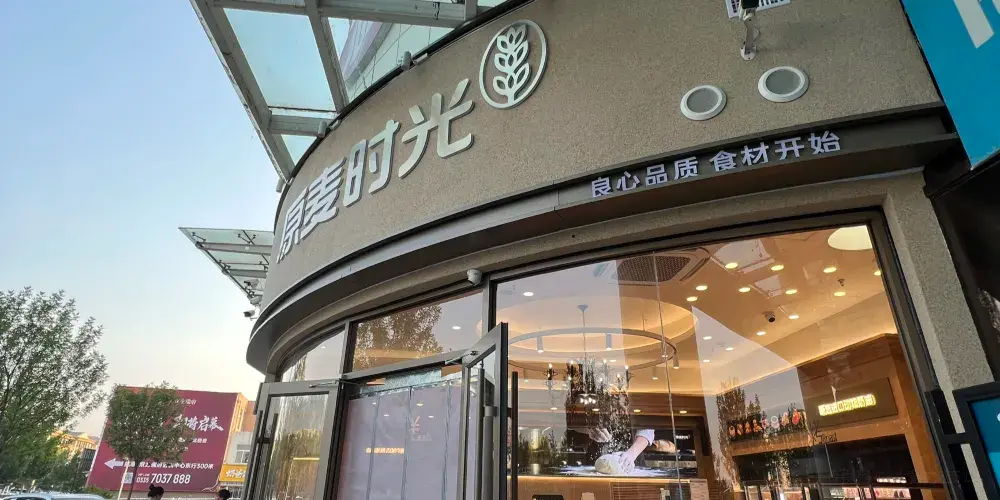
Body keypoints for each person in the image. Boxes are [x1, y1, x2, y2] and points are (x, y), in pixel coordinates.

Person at [587, 427, 674, 474]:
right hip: (594, 462)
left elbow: (647, 429)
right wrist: (589, 428)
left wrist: (631, 454)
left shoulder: (638, 400)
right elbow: (579, 419)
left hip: (633, 461)